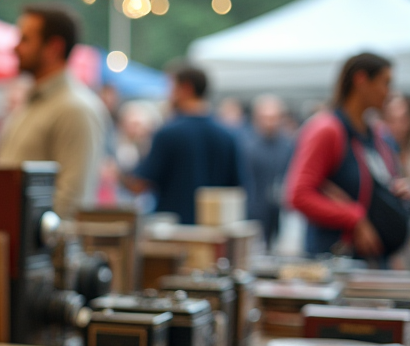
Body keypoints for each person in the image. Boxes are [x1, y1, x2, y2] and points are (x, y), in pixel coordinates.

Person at [286, 53, 410, 261]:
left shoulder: (374, 133)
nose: (388, 92)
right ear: (361, 80)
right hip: (337, 261)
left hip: (373, 262)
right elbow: (299, 195)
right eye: (385, 82)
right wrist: (353, 218)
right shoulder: (328, 129)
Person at [0, 3, 107, 219]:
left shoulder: (76, 108)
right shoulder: (34, 102)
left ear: (54, 47)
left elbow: (72, 201)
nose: (15, 48)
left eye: (25, 40)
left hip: (36, 249)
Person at [122, 65, 241, 225]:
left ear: (186, 88)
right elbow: (238, 189)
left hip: (176, 234)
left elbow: (139, 184)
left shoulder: (168, 134)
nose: (168, 94)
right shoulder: (228, 136)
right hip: (214, 234)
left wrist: (118, 174)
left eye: (171, 87)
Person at [241, 94, 294, 249]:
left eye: (274, 117)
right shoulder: (245, 144)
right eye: (266, 117)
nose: (270, 122)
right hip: (252, 208)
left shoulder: (287, 145)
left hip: (278, 209)